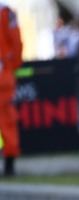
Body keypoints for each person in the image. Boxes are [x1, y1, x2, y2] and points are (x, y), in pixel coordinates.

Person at [0, 2, 22, 177]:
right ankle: (9, 164)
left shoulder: (6, 13)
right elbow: (16, 41)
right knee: (7, 121)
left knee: (6, 120)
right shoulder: (6, 13)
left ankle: (9, 164)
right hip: (3, 76)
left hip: (3, 76)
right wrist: (12, 66)